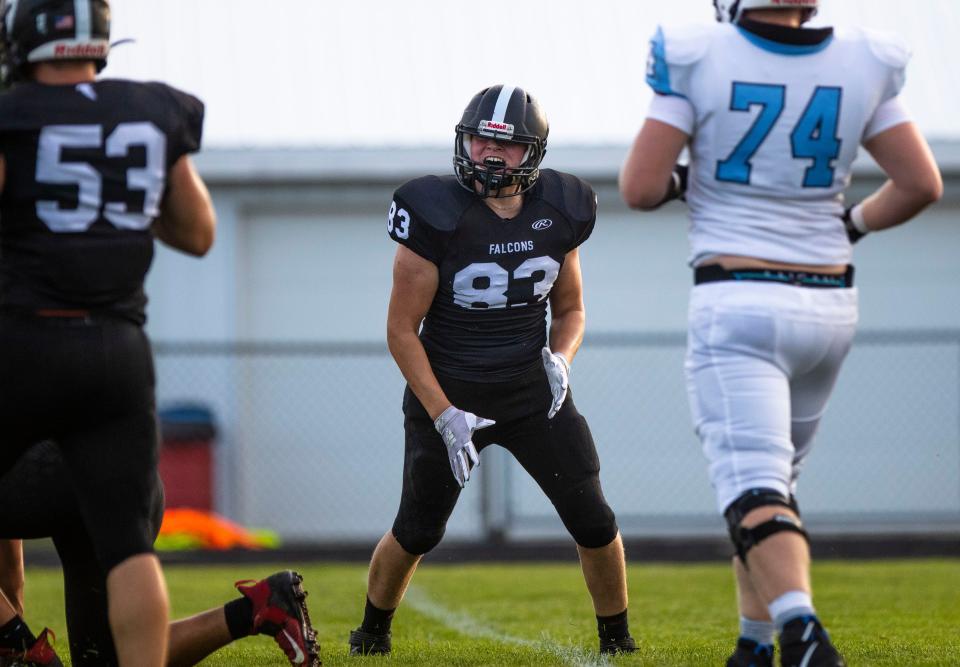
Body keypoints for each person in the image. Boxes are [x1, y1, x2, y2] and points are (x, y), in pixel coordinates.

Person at [619, 1, 942, 665]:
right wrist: (850, 223)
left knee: (753, 487)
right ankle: (753, 642)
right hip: (829, 301)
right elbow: (919, 184)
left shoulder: (698, 51)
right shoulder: (864, 57)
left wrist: (693, 180)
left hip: (740, 299)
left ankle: (803, 633)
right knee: (773, 491)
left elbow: (641, 187)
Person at [347, 84, 636, 658]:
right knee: (418, 530)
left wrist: (561, 358)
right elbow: (401, 330)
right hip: (450, 393)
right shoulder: (435, 213)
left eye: (504, 145)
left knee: (595, 519)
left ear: (534, 154)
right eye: (480, 140)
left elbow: (571, 309)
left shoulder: (561, 209)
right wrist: (443, 413)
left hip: (533, 394)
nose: (489, 155)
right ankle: (372, 632)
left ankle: (619, 641)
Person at [0, 0, 216, 664]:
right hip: (118, 352)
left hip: (25, 344)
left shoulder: (12, 116)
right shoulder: (150, 111)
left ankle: (13, 643)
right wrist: (111, 202)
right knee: (128, 546)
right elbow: (197, 231)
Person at [0, 442, 320, 667]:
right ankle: (262, 606)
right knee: (114, 659)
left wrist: (17, 640)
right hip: (133, 481)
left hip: (71, 477)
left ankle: (20, 648)